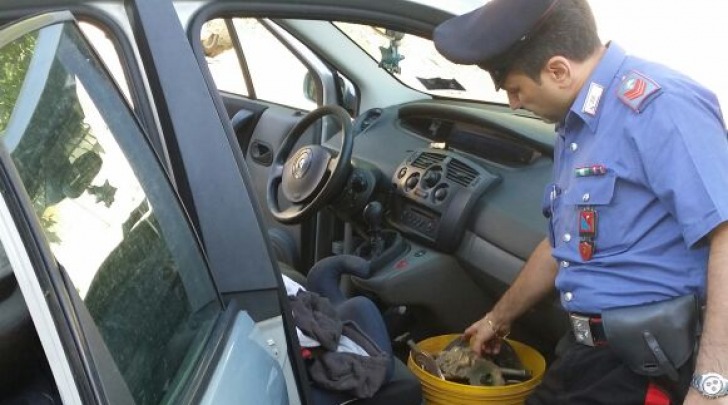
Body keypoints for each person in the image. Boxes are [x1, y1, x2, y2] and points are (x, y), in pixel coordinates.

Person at [433, 0, 728, 403]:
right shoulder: (577, 123)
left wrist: (712, 385)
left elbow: (725, 234)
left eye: (515, 89)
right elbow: (563, 245)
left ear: (558, 70)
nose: (513, 104)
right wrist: (496, 319)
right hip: (584, 355)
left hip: (644, 365)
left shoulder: (660, 106)